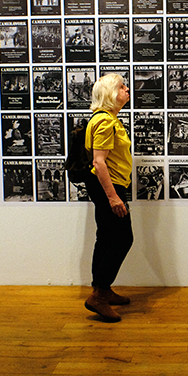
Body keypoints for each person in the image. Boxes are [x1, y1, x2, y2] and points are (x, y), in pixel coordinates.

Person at [82, 73, 134, 322]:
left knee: (105, 237)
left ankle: (101, 289)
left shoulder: (108, 119)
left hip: (109, 186)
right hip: (109, 187)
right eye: (121, 87)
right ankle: (99, 296)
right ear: (110, 94)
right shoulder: (104, 122)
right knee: (122, 238)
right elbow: (99, 162)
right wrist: (114, 198)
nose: (127, 89)